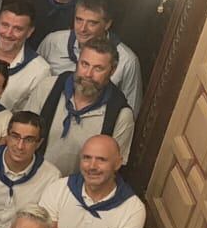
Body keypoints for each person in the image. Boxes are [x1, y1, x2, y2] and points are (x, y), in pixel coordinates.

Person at [39, 134, 146, 228]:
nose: (92, 166)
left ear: (118, 163)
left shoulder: (133, 208)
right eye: (87, 158)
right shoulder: (58, 188)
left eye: (101, 159)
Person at [38, 37, 135, 174]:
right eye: (84, 64)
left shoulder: (121, 115)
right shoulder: (48, 87)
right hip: (34, 181)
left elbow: (112, 170)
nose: (88, 74)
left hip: (78, 192)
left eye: (98, 68)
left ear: (112, 71)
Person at [38, 0, 143, 109]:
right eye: (79, 20)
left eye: (92, 23)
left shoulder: (127, 60)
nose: (82, 29)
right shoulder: (52, 42)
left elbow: (130, 109)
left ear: (107, 24)